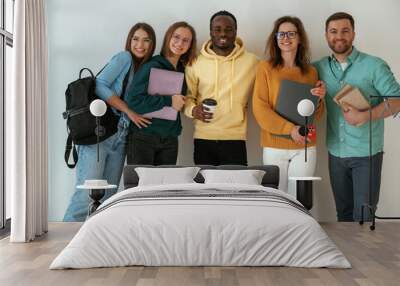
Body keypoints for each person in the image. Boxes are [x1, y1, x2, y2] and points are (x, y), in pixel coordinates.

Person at [63, 23, 156, 222]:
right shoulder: (125, 58)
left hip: (121, 135)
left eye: (146, 40)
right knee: (85, 194)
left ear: (152, 44)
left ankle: (97, 243)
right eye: (135, 39)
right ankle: (66, 245)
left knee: (109, 196)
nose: (140, 44)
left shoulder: (144, 69)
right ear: (129, 41)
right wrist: (129, 112)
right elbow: (100, 84)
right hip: (100, 132)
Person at [314, 12, 400, 221]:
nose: (339, 36)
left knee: (363, 217)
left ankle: (363, 254)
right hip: (336, 153)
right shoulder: (317, 68)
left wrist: (366, 116)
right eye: (333, 31)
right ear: (326, 35)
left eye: (345, 31)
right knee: (343, 215)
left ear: (353, 34)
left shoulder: (375, 65)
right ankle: (345, 255)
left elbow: (397, 100)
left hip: (367, 154)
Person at [252, 16, 325, 197]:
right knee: (277, 198)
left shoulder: (311, 72)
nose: (286, 38)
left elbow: (316, 115)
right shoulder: (265, 68)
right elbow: (260, 108)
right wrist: (290, 129)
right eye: (281, 34)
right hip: (274, 145)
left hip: (305, 145)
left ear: (299, 38)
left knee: (300, 198)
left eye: (291, 33)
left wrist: (320, 99)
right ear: (275, 39)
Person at [184, 10, 258, 166]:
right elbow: (187, 97)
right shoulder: (195, 62)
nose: (223, 34)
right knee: (204, 189)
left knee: (234, 190)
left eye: (228, 29)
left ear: (235, 32)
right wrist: (192, 110)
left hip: (235, 138)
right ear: (211, 32)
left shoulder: (253, 62)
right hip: (203, 138)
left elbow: (272, 79)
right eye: (217, 29)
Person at [125, 21, 197, 165]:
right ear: (168, 38)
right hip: (143, 138)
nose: (179, 43)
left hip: (169, 140)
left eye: (185, 40)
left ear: (190, 45)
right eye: (176, 37)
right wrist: (168, 101)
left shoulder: (185, 70)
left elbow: (179, 104)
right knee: (140, 187)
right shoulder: (152, 65)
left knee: (165, 187)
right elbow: (133, 102)